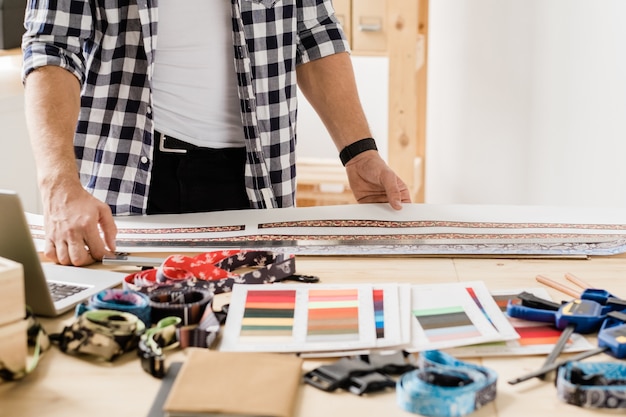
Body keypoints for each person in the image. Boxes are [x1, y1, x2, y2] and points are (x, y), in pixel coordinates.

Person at [21, 0, 411, 267]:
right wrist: (58, 187)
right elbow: (53, 46)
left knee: (253, 351)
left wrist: (360, 153)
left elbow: (314, 33)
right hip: (131, 184)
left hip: (256, 185)